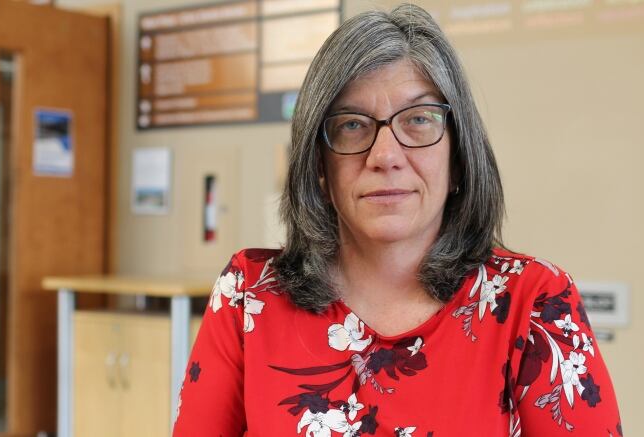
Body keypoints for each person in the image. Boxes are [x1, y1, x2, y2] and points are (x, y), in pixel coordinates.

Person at [172, 4, 622, 436]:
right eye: (352, 125)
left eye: (419, 120)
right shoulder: (247, 296)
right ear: (319, 166)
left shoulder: (535, 302)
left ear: (460, 158)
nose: (385, 156)